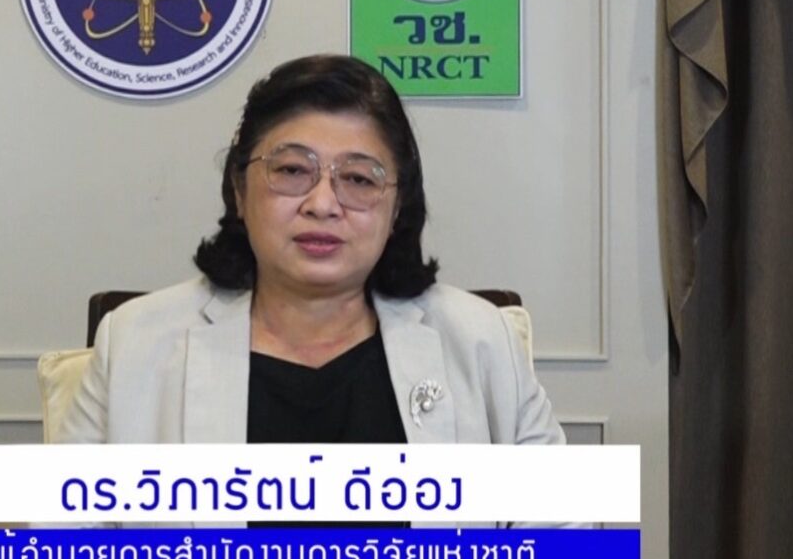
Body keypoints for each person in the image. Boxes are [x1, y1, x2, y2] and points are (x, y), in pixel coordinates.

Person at [55, 54, 570, 526]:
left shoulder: (482, 341)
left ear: (397, 207)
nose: (322, 204)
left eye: (359, 179)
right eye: (292, 170)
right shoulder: (135, 343)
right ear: (239, 191)